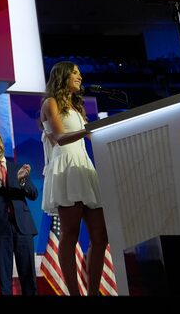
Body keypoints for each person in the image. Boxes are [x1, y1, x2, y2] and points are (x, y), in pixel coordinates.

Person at [39, 60, 108, 295]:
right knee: (71, 233)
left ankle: (92, 291)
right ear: (63, 76)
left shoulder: (77, 107)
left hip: (83, 167)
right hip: (66, 168)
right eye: (76, 73)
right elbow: (60, 137)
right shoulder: (50, 103)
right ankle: (74, 293)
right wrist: (91, 130)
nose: (80, 77)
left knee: (101, 235)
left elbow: (90, 137)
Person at [0, 131, 38, 296]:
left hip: (22, 227)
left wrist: (23, 180)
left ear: (3, 144)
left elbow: (33, 194)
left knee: (28, 278)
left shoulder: (18, 168)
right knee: (4, 281)